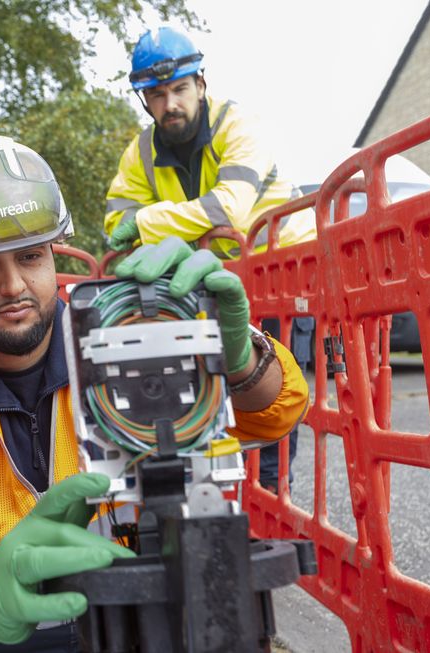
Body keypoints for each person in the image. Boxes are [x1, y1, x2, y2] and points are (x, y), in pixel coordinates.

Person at [0, 134, 309, 652]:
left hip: (136, 616)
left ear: (53, 255)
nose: (14, 286)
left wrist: (240, 358)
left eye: (30, 255)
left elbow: (269, 416)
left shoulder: (120, 334)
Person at [104, 26, 317, 492]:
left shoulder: (240, 126)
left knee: (269, 392)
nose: (169, 103)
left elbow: (229, 210)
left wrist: (149, 222)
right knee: (202, 393)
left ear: (201, 83)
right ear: (144, 99)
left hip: (283, 274)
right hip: (206, 282)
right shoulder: (141, 151)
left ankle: (269, 500)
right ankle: (223, 499)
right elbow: (114, 224)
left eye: (179, 88)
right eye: (156, 94)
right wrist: (163, 225)